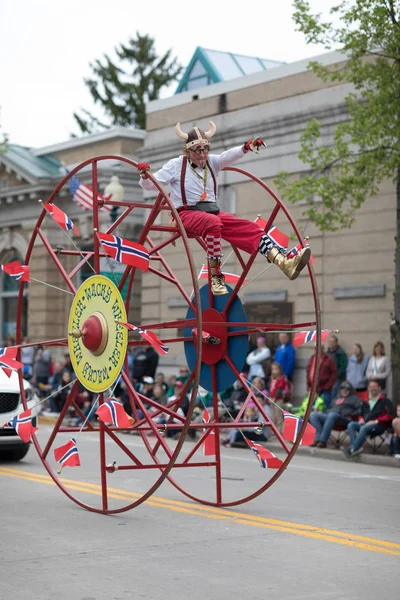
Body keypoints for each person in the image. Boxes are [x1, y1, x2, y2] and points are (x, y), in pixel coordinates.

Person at [137, 121, 311, 295]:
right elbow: (151, 185)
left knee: (251, 228)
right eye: (198, 150)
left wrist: (247, 147)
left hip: (212, 212)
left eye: (206, 149)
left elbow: (229, 156)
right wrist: (145, 176)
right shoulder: (176, 165)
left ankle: (283, 262)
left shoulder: (212, 162)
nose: (203, 155)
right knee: (213, 222)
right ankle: (216, 277)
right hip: (185, 214)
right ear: (188, 151)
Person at [342, 379, 393, 458]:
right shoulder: (365, 401)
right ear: (368, 389)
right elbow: (360, 414)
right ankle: (355, 448)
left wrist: (376, 421)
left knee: (364, 428)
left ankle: (352, 450)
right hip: (365, 425)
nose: (372, 389)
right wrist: (361, 419)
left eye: (374, 387)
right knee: (351, 425)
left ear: (379, 388)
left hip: (379, 426)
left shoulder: (385, 401)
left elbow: (389, 415)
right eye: (370, 387)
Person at [309, 381, 364, 448]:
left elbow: (360, 410)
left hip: (344, 418)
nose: (344, 391)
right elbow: (329, 408)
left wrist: (350, 414)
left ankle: (323, 441)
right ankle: (317, 440)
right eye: (342, 389)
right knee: (313, 415)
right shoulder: (337, 398)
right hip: (330, 416)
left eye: (347, 389)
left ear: (350, 390)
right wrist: (323, 412)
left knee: (332, 415)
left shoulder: (355, 398)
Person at [306, 344, 337, 410]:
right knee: (312, 407)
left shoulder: (329, 359)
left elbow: (334, 374)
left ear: (323, 349)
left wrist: (327, 386)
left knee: (324, 407)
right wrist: (308, 385)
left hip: (324, 389)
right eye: (316, 348)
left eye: (319, 348)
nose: (317, 350)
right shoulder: (312, 358)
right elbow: (308, 371)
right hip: (313, 389)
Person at [269, 362, 291, 432]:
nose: (274, 371)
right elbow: (271, 389)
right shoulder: (272, 378)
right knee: (273, 415)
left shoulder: (281, 378)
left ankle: (279, 430)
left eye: (276, 369)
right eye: (273, 369)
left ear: (280, 370)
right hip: (272, 399)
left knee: (278, 415)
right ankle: (274, 430)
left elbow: (280, 389)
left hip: (278, 399)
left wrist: (274, 398)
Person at [327, 334, 348, 401]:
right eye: (330, 342)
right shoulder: (328, 352)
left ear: (336, 343)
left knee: (334, 394)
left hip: (337, 378)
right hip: (328, 378)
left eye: (333, 342)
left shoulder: (341, 353)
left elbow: (343, 366)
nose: (331, 343)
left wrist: (336, 375)